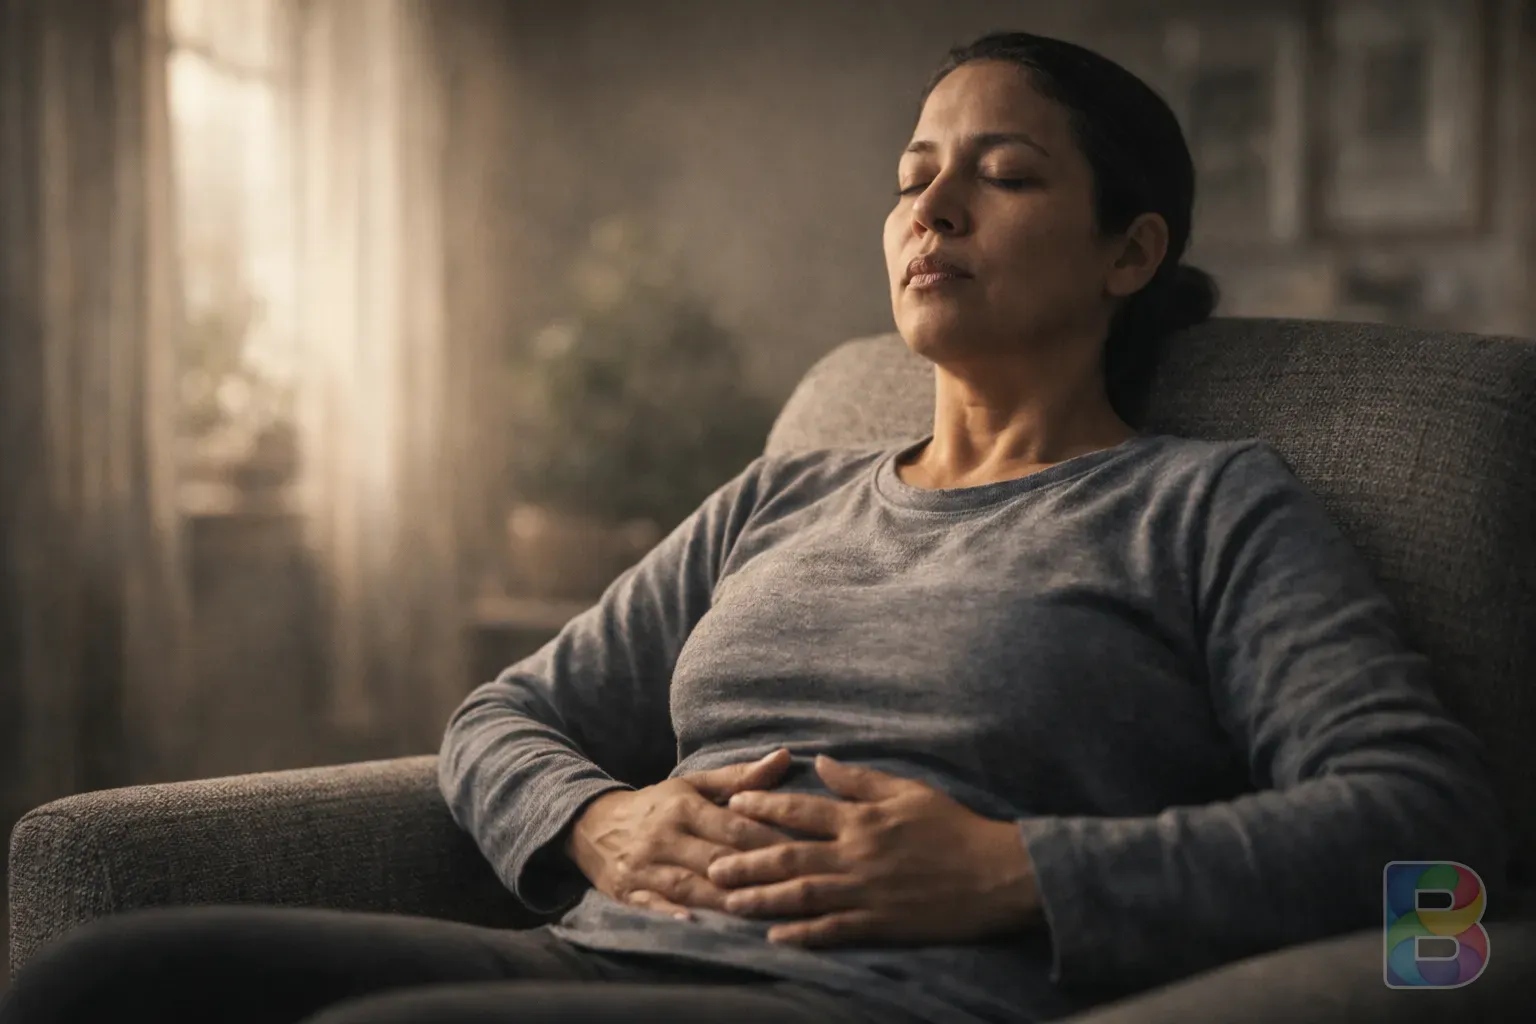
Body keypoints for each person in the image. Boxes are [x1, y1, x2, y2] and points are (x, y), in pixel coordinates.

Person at [0, 29, 1507, 1024]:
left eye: (1004, 174)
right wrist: (602, 819)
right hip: (593, 950)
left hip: (861, 998)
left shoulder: (1205, 505)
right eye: (913, 178)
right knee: (108, 981)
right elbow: (504, 715)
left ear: (1131, 250)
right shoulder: (787, 496)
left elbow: (1430, 837)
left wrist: (1012, 872)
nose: (935, 209)